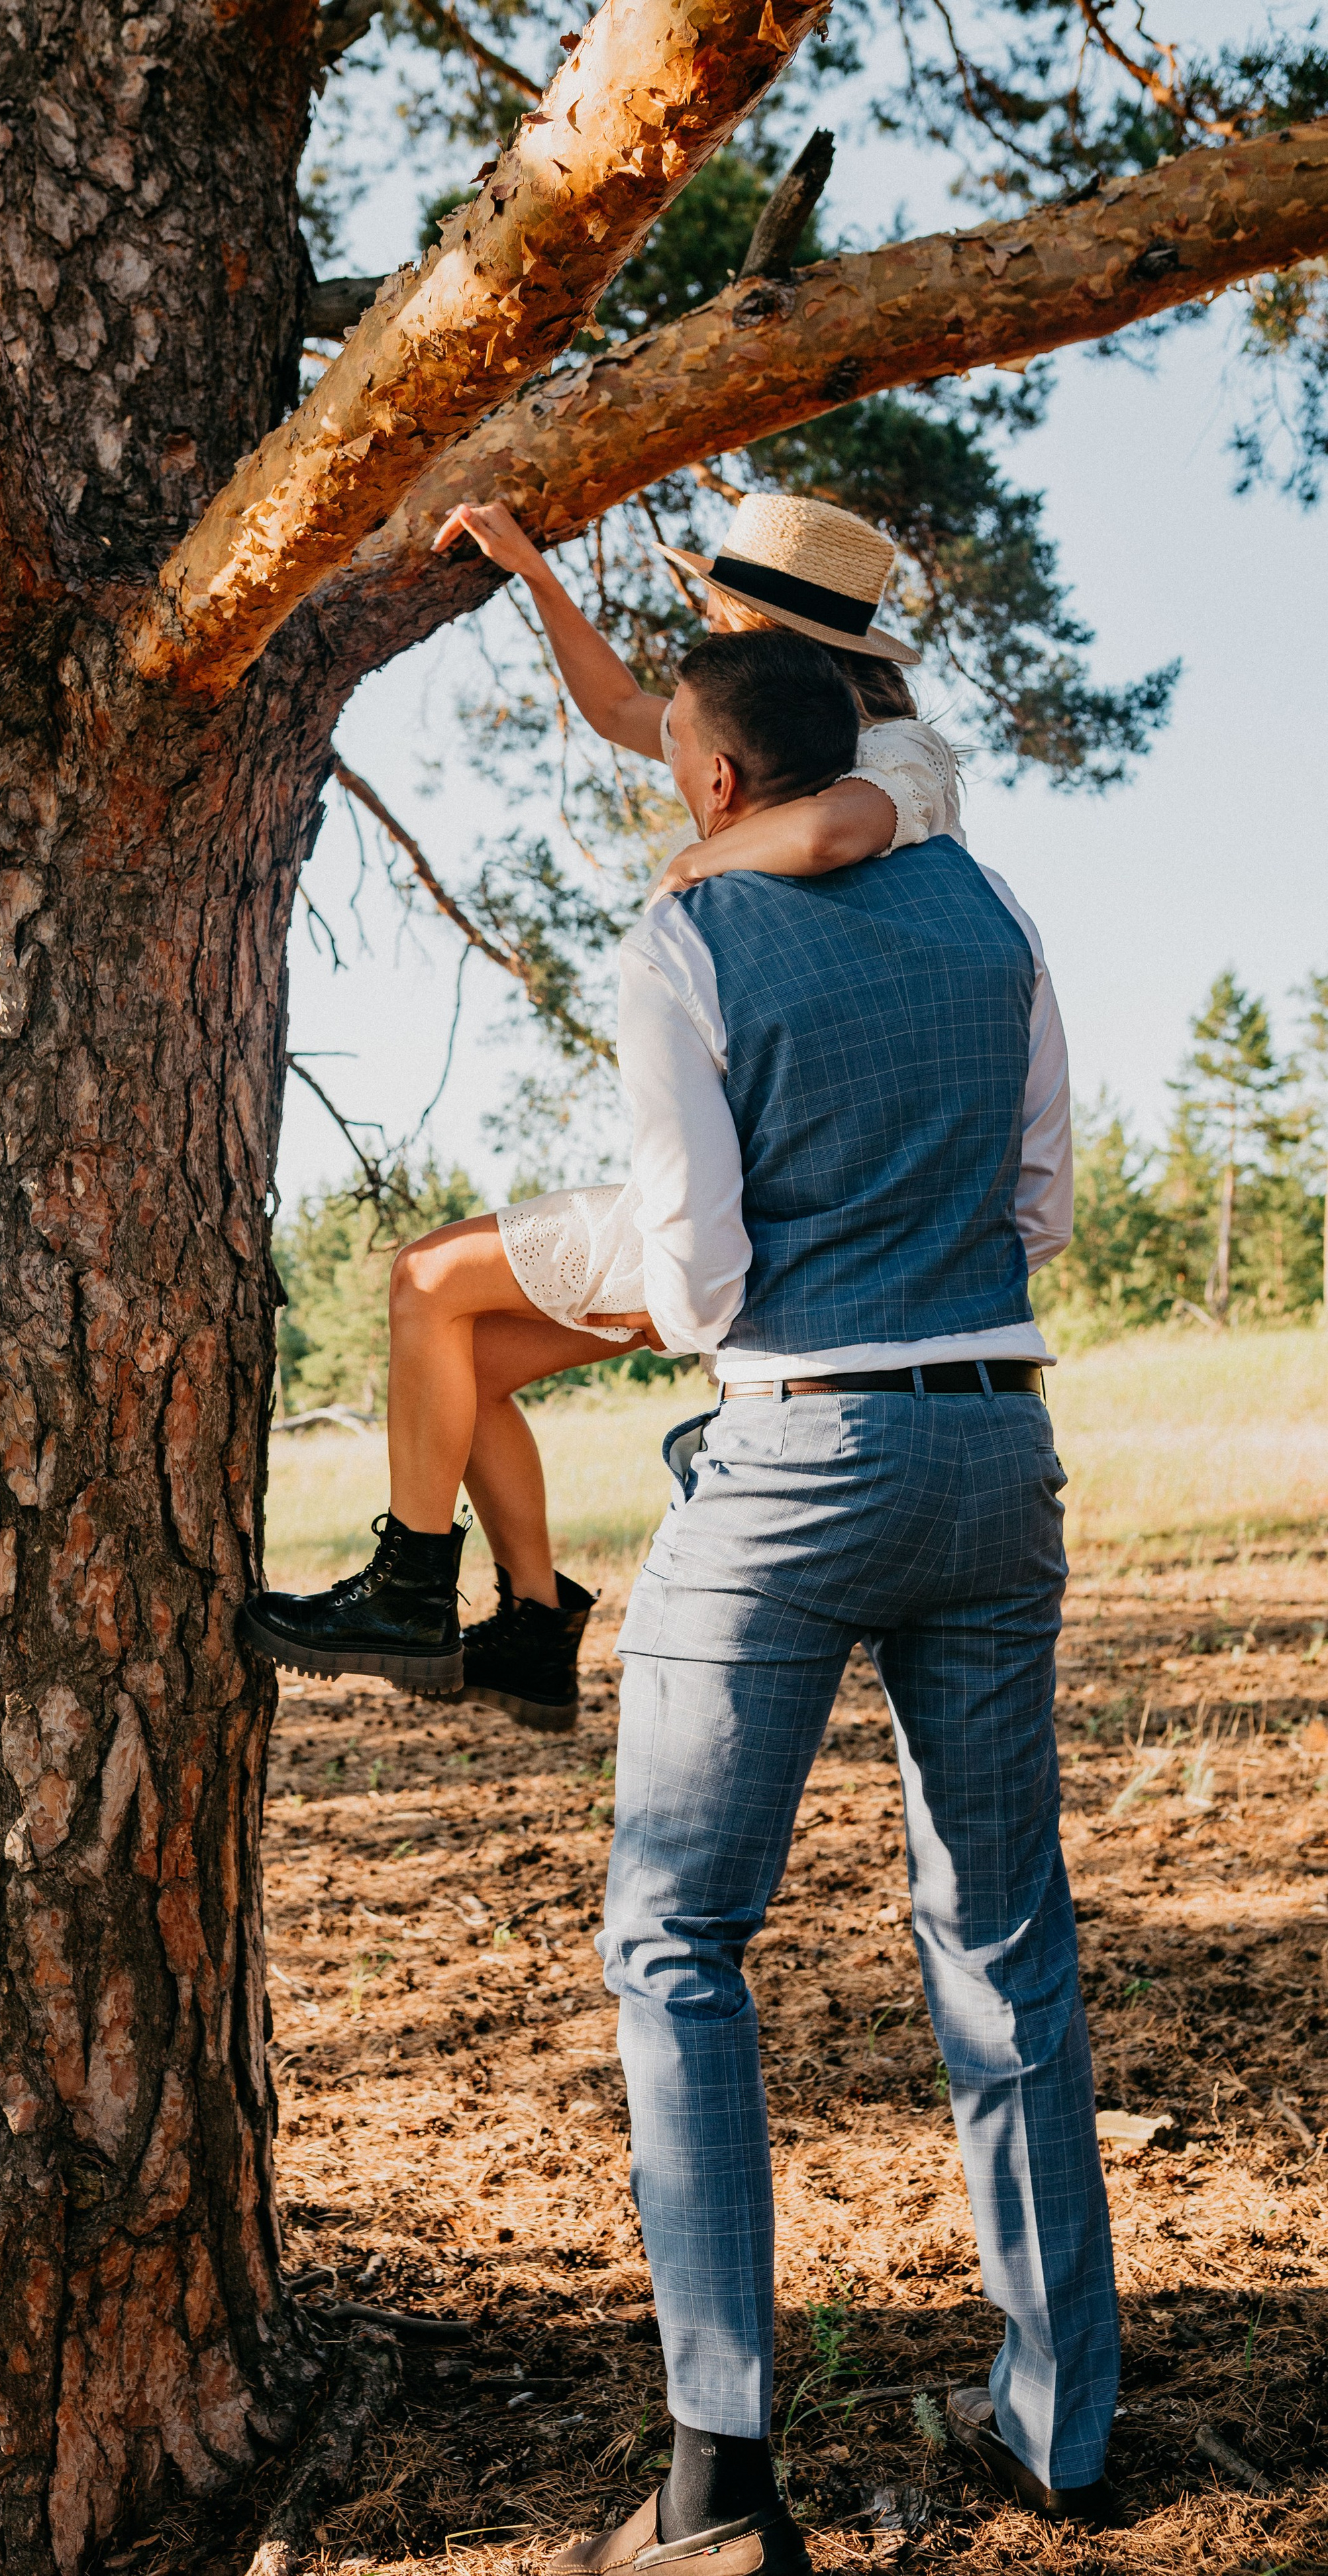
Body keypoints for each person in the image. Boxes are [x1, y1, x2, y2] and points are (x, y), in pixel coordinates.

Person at [538, 661, 1120, 2576]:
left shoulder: (688, 929)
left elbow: (699, 1276)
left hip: (795, 1456)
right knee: (1006, 1933)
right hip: (996, 1441)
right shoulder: (987, 899)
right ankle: (1064, 2427)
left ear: (710, 769)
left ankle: (717, 2481)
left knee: (679, 1941)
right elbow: (1039, 1195)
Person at [239, 494, 964, 1732]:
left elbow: (844, 831)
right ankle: (529, 1628)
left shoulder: (896, 760)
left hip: (786, 1172)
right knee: (457, 1365)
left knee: (426, 1283)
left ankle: (412, 1592)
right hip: (763, 1163)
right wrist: (531, 572)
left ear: (773, 628)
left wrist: (698, 868)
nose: (704, 622)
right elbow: (624, 713)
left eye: (723, 609)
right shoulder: (764, 726)